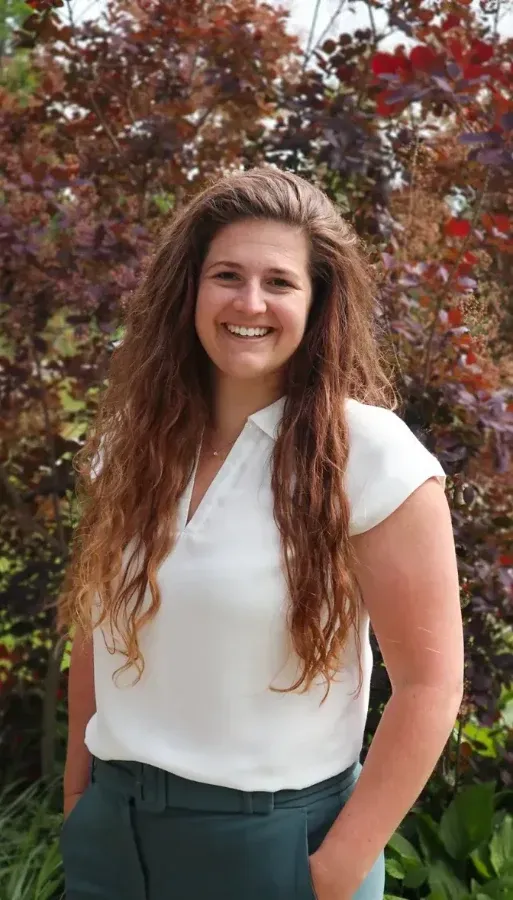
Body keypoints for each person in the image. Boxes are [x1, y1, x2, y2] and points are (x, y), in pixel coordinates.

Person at [58, 166, 464, 900]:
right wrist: (77, 800)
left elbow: (430, 686)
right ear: (189, 290)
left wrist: (336, 869)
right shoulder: (129, 444)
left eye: (279, 282)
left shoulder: (369, 455)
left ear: (317, 303)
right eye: (226, 275)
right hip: (113, 838)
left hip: (275, 847)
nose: (249, 303)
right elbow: (99, 628)